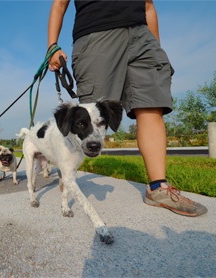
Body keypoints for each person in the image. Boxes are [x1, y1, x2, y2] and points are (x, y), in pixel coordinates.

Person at [47, 0, 207, 216]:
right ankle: (67, 172)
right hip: (96, 33)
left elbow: (148, 5)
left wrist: (155, 44)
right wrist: (52, 45)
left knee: (151, 104)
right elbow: (59, 4)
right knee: (89, 115)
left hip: (142, 35)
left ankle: (158, 188)